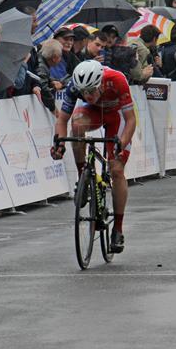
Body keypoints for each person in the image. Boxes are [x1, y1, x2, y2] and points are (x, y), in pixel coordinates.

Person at [50, 60, 137, 254]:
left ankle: (118, 229)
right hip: (94, 113)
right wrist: (59, 144)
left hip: (117, 117)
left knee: (116, 170)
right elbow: (62, 120)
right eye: (84, 92)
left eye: (91, 90)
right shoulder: (75, 87)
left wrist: (121, 143)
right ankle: (83, 176)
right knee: (77, 125)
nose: (87, 95)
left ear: (100, 83)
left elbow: (131, 119)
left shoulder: (117, 79)